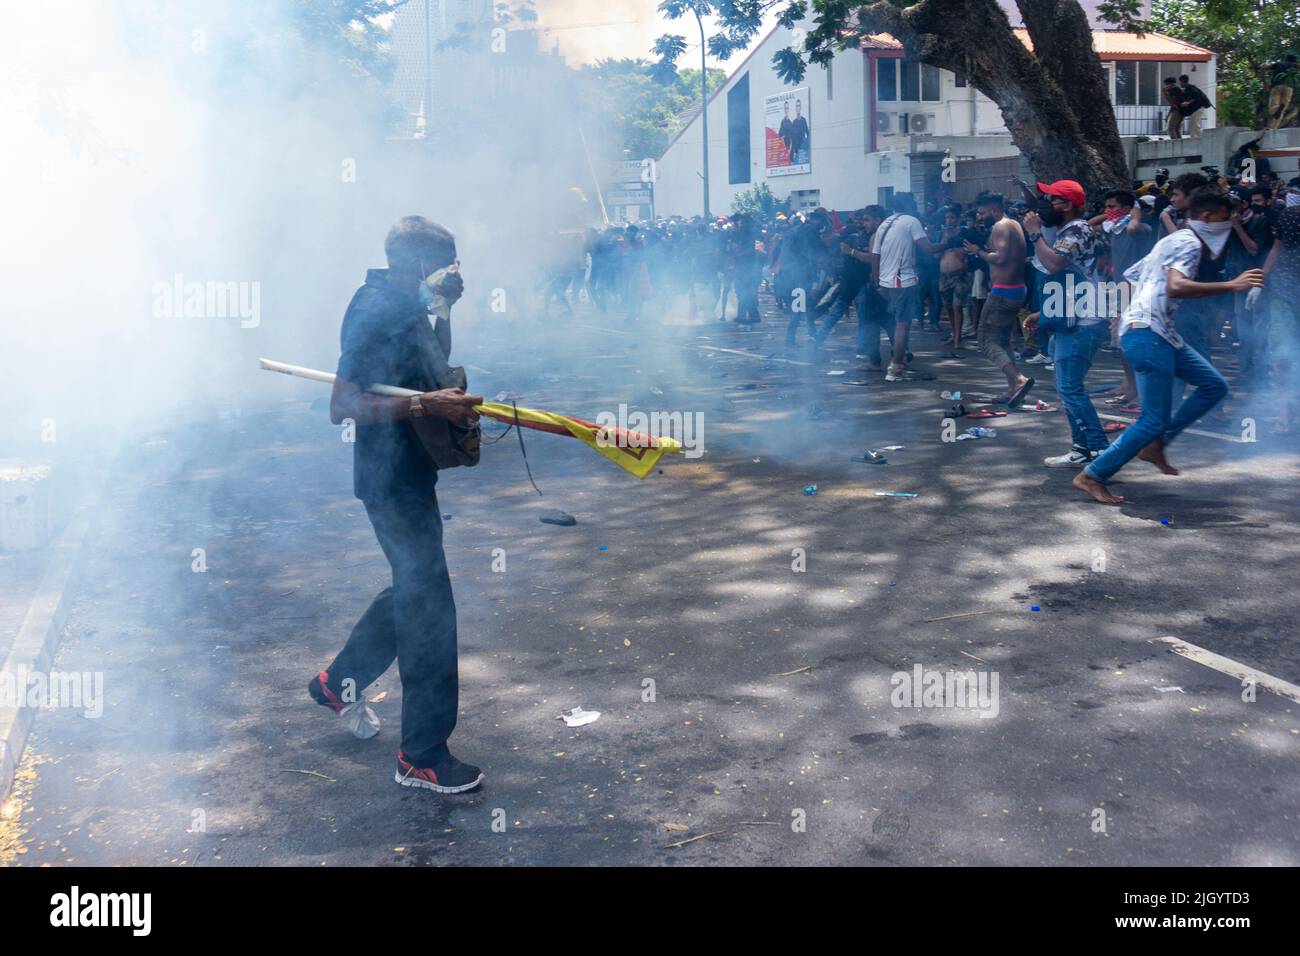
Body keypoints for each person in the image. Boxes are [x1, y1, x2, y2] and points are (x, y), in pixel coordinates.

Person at [315, 215, 486, 794]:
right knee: (428, 609)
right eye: (448, 266)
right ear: (417, 264)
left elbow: (430, 368)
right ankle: (421, 754)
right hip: (389, 479)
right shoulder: (373, 309)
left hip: (411, 474)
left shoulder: (409, 303)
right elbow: (343, 404)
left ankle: (339, 681)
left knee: (416, 586)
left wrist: (442, 310)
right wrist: (421, 408)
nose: (456, 274)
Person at [1074, 187, 1264, 503]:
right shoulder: (1188, 243)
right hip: (1149, 335)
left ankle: (1157, 444)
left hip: (1157, 333)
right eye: (1224, 215)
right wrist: (1232, 285)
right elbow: (1176, 286)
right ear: (1207, 216)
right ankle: (1092, 475)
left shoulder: (1171, 241)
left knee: (1213, 386)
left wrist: (1124, 314)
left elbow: (1131, 277)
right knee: (1152, 419)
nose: (1229, 222)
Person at [1023, 179, 1111, 468]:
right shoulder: (1069, 230)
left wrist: (1035, 235)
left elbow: (1055, 264)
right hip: (1071, 317)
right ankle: (1081, 448)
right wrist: (1043, 313)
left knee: (1070, 388)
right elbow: (1068, 278)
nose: (1046, 205)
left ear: (1069, 204)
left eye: (1052, 199)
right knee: (1066, 388)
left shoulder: (1076, 229)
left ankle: (1099, 450)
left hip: (1083, 324)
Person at [965, 191, 1034, 406]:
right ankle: (1012, 389)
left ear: (994, 209)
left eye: (982, 212)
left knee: (986, 341)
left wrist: (979, 251)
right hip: (1015, 290)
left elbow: (1001, 258)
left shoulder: (1001, 226)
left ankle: (1019, 379)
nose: (979, 216)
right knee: (1002, 341)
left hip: (1004, 292)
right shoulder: (1014, 224)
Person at [870, 192, 947, 380]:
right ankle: (895, 368)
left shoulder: (885, 224)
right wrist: (946, 242)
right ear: (909, 205)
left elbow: (875, 255)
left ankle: (901, 361)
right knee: (902, 325)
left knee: (900, 322)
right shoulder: (911, 221)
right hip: (901, 281)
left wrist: (878, 281)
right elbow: (927, 248)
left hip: (887, 282)